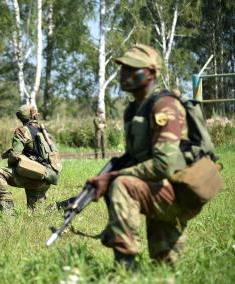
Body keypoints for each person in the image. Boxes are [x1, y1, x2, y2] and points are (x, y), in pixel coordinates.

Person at [84, 44, 222, 268]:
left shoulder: (164, 106)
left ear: (151, 73)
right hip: (160, 189)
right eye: (123, 69)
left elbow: (164, 164)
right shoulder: (134, 110)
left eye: (132, 69)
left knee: (121, 185)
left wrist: (111, 177)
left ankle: (125, 269)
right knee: (166, 267)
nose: (124, 74)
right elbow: (135, 157)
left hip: (181, 191)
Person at [0, 104, 62, 214]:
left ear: (20, 117)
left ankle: (7, 211)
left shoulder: (22, 131)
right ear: (34, 115)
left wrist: (11, 163)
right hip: (46, 177)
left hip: (33, 175)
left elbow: (15, 155)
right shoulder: (43, 131)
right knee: (37, 214)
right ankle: (63, 206)